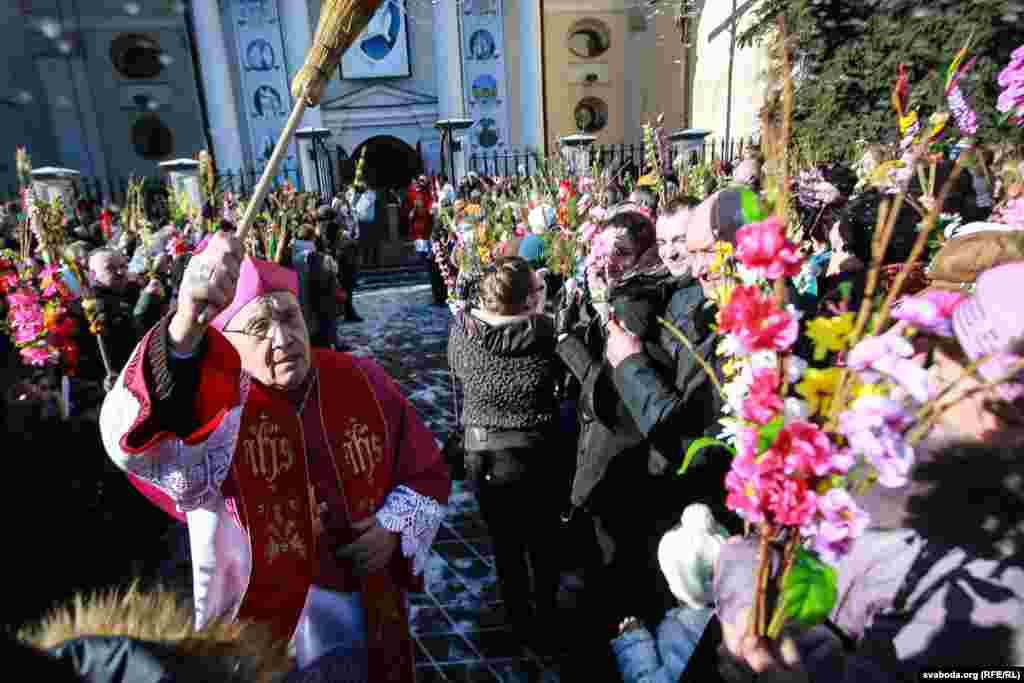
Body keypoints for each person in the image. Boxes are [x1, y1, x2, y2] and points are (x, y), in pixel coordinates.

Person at [98, 233, 451, 681]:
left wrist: (391, 529)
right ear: (226, 341)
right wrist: (185, 326)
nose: (283, 338)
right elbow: (131, 441)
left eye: (289, 317)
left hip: (367, 613)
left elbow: (424, 469)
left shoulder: (361, 378)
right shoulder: (215, 409)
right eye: (260, 327)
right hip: (264, 630)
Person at [689, 263, 1024, 681]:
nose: (927, 384)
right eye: (940, 361)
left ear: (1006, 417)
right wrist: (745, 607)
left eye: (947, 370)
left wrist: (790, 668)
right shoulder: (881, 443)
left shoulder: (998, 582)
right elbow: (764, 550)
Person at [448, 256, 562, 650]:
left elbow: (458, 369)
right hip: (537, 451)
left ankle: (519, 624)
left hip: (485, 452)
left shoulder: (463, 334)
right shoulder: (547, 333)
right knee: (544, 544)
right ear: (529, 298)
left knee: (506, 546)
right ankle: (546, 619)